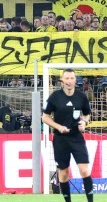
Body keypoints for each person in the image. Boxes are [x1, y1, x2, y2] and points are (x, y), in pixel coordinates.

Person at [42, 69, 94, 202]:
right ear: (62, 81)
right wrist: (59, 127)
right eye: (67, 78)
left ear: (75, 80)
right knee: (64, 174)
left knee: (84, 170)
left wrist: (84, 122)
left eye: (72, 78)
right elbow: (45, 117)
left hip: (76, 138)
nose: (69, 81)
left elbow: (87, 114)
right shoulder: (55, 97)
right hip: (60, 139)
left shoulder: (81, 97)